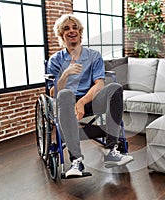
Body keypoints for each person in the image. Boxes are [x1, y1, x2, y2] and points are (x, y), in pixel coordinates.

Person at [47, 14, 133, 178]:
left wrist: (82, 101)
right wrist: (64, 75)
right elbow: (53, 93)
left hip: (90, 100)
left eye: (75, 28)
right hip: (66, 103)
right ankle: (76, 161)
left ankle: (111, 151)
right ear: (61, 35)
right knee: (64, 94)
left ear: (80, 32)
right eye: (66, 28)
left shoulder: (93, 56)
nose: (72, 31)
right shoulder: (55, 60)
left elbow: (99, 84)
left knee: (114, 87)